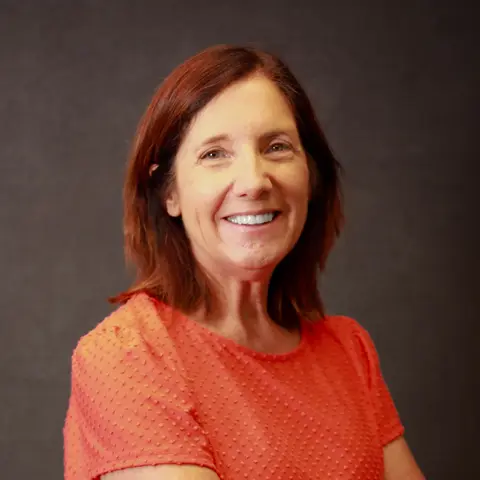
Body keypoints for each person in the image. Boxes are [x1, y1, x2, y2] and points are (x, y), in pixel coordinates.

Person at [63, 44, 424, 480]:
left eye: (277, 147)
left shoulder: (348, 351)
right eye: (214, 154)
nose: (254, 181)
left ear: (310, 177)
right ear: (169, 192)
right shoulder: (130, 355)